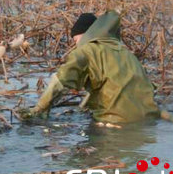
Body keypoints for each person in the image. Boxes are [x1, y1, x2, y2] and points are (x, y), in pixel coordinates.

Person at [21, 10, 161, 123]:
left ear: (85, 35)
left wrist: (37, 110)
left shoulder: (86, 51)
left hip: (115, 124)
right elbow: (112, 86)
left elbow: (60, 82)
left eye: (75, 40)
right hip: (148, 120)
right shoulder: (125, 53)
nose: (75, 45)